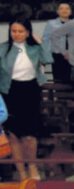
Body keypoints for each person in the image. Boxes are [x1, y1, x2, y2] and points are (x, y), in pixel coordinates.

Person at [0, 20, 51, 180]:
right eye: (13, 31)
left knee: (30, 135)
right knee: (14, 135)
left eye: (21, 31)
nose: (16, 34)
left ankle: (32, 166)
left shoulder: (34, 48)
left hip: (30, 91)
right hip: (10, 92)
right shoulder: (3, 48)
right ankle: (21, 172)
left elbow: (48, 59)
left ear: (28, 32)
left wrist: (40, 42)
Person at [43, 2, 73, 82]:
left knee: (72, 82)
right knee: (59, 81)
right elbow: (46, 40)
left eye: (67, 8)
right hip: (57, 56)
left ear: (70, 11)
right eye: (61, 8)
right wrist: (46, 55)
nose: (64, 10)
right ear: (57, 11)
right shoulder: (51, 23)